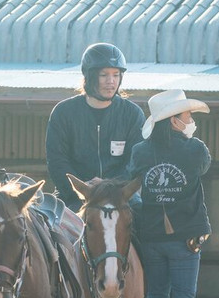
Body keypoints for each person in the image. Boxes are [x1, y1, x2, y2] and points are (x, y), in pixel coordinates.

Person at [127, 89, 211, 298]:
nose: (190, 120)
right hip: (187, 239)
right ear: (174, 121)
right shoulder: (195, 150)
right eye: (187, 116)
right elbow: (203, 169)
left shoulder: (140, 151)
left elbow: (133, 176)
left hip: (151, 237)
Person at [46, 43, 145, 209]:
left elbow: (135, 161)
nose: (111, 81)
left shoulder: (132, 114)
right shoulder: (63, 112)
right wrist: (84, 188)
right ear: (90, 76)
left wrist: (108, 185)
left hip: (120, 195)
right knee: (48, 227)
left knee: (145, 223)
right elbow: (57, 161)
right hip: (74, 196)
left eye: (116, 75)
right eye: (104, 75)